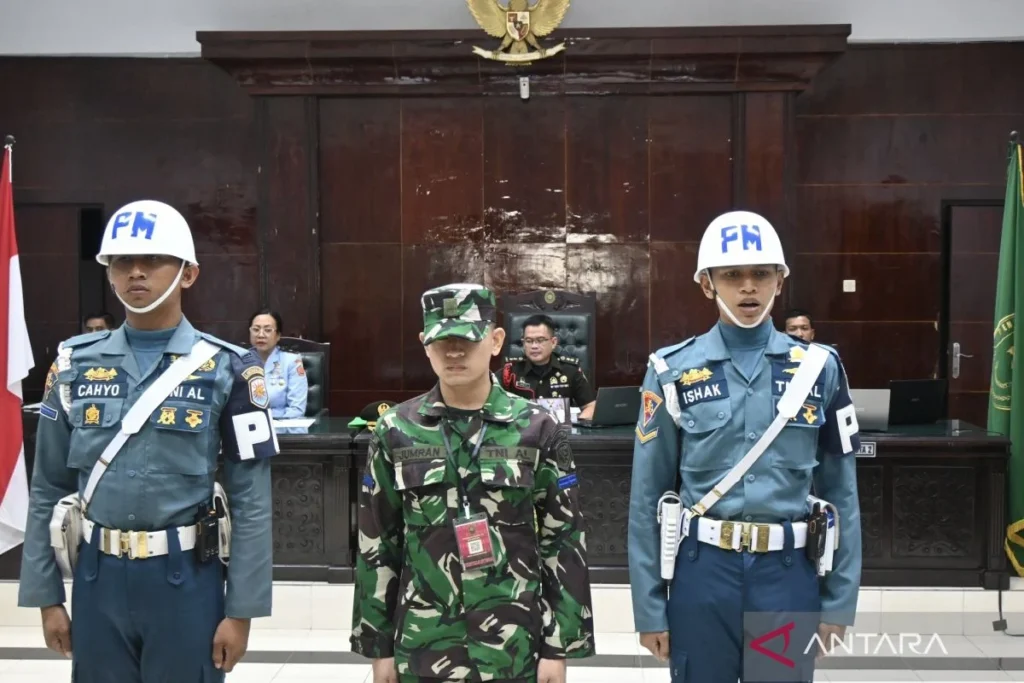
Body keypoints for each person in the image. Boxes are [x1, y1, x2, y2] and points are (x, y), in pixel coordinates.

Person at [18, 199, 278, 682]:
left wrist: (241, 611)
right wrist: (46, 597)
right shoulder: (73, 365)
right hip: (97, 578)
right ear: (109, 273)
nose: (136, 272)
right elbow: (48, 485)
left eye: (153, 260)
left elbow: (252, 501)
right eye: (122, 262)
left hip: (187, 581)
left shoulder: (230, 369)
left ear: (188, 274)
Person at [627, 211, 862, 683]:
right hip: (702, 573)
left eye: (761, 273)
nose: (749, 287)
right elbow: (646, 496)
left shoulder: (819, 368)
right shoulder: (671, 371)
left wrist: (839, 601)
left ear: (780, 279)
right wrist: (649, 606)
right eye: (732, 275)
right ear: (707, 284)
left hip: (787, 573)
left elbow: (843, 493)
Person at [350, 283, 595, 683]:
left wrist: (558, 646)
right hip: (424, 642)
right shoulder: (396, 429)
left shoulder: (537, 427)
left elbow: (563, 538)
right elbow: (377, 543)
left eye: (467, 339)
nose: (454, 352)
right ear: (424, 345)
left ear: (495, 341)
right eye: (441, 341)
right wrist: (378, 647)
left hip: (514, 644)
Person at [500, 314, 597, 420]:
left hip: (560, 429)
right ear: (523, 343)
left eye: (540, 340)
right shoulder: (510, 371)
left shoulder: (570, 370)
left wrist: (575, 424)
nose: (534, 346)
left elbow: (591, 407)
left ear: (553, 342)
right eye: (529, 341)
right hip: (522, 429)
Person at [248, 308, 309, 418]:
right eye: (256, 329)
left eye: (268, 330)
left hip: (281, 425)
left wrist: (275, 427)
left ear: (278, 336)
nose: (260, 335)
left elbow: (296, 409)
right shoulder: (239, 361)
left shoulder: (291, 362)